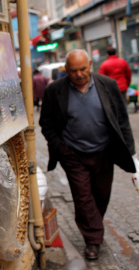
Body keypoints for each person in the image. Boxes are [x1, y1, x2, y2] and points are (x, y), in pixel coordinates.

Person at [39, 49, 136, 260]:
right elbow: (45, 122)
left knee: (101, 195)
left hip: (104, 152)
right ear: (66, 69)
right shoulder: (55, 90)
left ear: (90, 64)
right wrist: (60, 147)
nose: (79, 74)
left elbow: (121, 120)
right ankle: (93, 240)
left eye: (83, 69)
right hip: (72, 153)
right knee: (82, 197)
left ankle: (93, 224)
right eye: (74, 70)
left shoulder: (107, 85)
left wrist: (130, 152)